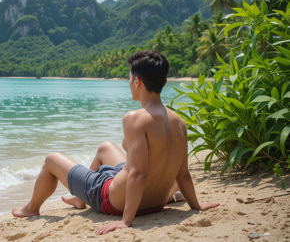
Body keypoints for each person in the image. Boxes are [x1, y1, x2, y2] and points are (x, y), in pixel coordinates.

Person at [12, 50, 219, 235]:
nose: (129, 84)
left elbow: (138, 173)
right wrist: (196, 207)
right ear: (164, 83)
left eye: (129, 79)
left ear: (137, 82)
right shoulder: (179, 122)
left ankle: (32, 208)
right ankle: (79, 199)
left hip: (113, 201)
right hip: (157, 201)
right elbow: (182, 173)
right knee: (106, 148)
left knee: (51, 160)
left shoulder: (135, 118)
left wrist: (125, 221)